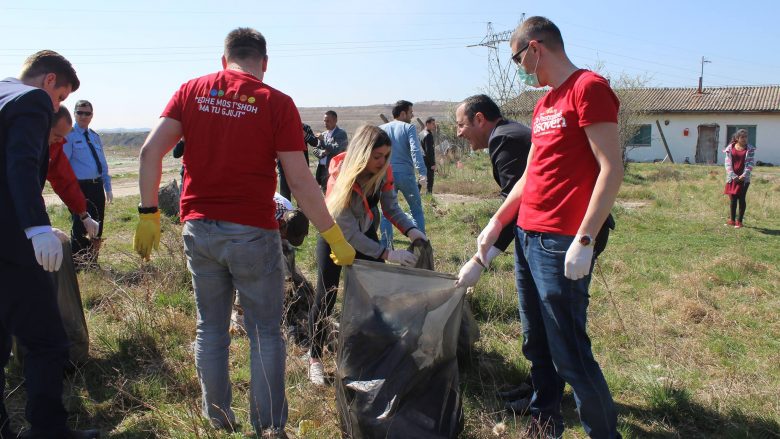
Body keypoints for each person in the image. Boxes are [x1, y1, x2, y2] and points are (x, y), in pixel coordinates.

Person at [132, 27, 355, 438]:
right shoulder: (275, 102)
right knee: (265, 332)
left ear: (224, 60)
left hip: (199, 229)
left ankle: (217, 419)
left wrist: (148, 213)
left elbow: (149, 153)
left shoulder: (192, 90)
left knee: (210, 327)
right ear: (264, 64)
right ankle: (269, 428)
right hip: (253, 233)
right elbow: (301, 182)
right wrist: (333, 236)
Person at [475, 17, 623, 438]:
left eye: (517, 58)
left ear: (535, 48)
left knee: (570, 353)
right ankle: (544, 426)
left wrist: (586, 237)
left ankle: (603, 432)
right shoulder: (543, 105)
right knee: (536, 343)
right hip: (527, 235)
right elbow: (530, 177)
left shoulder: (589, 89)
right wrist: (498, 220)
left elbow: (611, 170)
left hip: (561, 242)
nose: (518, 68)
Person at [1, 50, 99, 439]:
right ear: (48, 82)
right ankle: (48, 431)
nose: (57, 106)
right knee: (45, 341)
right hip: (10, 241)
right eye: (60, 97)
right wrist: (37, 228)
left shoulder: (4, 92)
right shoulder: (33, 99)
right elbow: (21, 163)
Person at [307, 124, 427, 385]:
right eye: (377, 157)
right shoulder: (341, 177)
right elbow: (346, 231)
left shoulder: (384, 172)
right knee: (326, 295)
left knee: (373, 295)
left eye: (386, 156)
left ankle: (369, 349)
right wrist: (387, 253)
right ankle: (314, 358)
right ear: (362, 154)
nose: (382, 161)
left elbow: (391, 208)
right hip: (335, 238)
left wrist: (413, 231)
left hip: (365, 234)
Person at [452, 94, 533, 411]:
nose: (459, 133)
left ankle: (546, 396)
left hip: (555, 236)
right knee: (535, 317)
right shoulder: (509, 133)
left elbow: (518, 207)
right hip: (540, 232)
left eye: (461, 125)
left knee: (543, 317)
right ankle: (538, 385)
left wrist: (480, 260)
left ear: (479, 119)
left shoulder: (505, 140)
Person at [63, 99, 112, 270]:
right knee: (80, 225)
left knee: (97, 224)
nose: (84, 116)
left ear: (92, 115)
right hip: (79, 187)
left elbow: (103, 164)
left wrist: (108, 187)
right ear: (74, 113)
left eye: (87, 113)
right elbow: (64, 166)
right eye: (80, 112)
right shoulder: (69, 136)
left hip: (96, 186)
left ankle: (92, 262)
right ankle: (77, 264)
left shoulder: (94, 136)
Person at [379, 100, 427, 249]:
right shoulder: (409, 128)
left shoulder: (380, 128)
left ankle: (386, 245)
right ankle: (421, 245)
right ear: (402, 113)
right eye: (411, 113)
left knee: (386, 210)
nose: (412, 116)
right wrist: (422, 172)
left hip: (386, 175)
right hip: (406, 174)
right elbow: (415, 150)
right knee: (416, 209)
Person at [48, 107, 101, 240]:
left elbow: (64, 181)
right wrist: (38, 227)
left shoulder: (54, 146)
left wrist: (84, 215)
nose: (60, 141)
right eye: (57, 136)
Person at [723, 129, 756, 229]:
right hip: (732, 177)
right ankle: (732, 220)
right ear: (737, 138)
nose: (745, 139)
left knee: (741, 198)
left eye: (746, 137)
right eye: (742, 137)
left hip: (744, 179)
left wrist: (744, 175)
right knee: (733, 199)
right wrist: (733, 176)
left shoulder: (750, 149)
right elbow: (727, 163)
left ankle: (739, 222)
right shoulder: (730, 148)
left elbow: (750, 163)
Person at [278, 123, 317, 200]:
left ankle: (301, 212)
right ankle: (286, 211)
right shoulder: (280, 127)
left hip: (301, 167)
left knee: (302, 194)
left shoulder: (305, 127)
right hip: (284, 167)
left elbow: (315, 142)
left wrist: (305, 135)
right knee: (284, 195)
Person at [313, 111, 348, 192]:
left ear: (335, 120)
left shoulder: (341, 133)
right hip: (322, 168)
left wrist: (323, 142)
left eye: (328, 121)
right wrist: (322, 153)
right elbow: (315, 149)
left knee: (333, 192)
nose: (325, 123)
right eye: (324, 121)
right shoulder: (324, 134)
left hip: (333, 169)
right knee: (324, 191)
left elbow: (337, 149)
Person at [419, 117, 437, 194]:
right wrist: (432, 164)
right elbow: (429, 151)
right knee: (430, 179)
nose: (434, 125)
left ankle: (416, 192)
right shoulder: (428, 135)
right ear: (427, 124)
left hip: (422, 158)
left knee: (422, 177)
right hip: (427, 160)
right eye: (433, 124)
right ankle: (429, 196)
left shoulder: (421, 133)